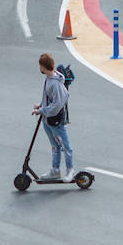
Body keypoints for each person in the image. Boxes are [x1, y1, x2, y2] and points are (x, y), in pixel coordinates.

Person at [31, 52, 73, 180]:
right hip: (47, 120)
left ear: (43, 67)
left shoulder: (54, 83)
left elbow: (58, 103)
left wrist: (42, 110)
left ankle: (70, 170)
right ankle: (55, 170)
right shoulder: (49, 79)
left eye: (40, 66)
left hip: (55, 121)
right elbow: (50, 99)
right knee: (55, 145)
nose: (39, 68)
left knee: (66, 146)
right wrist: (41, 105)